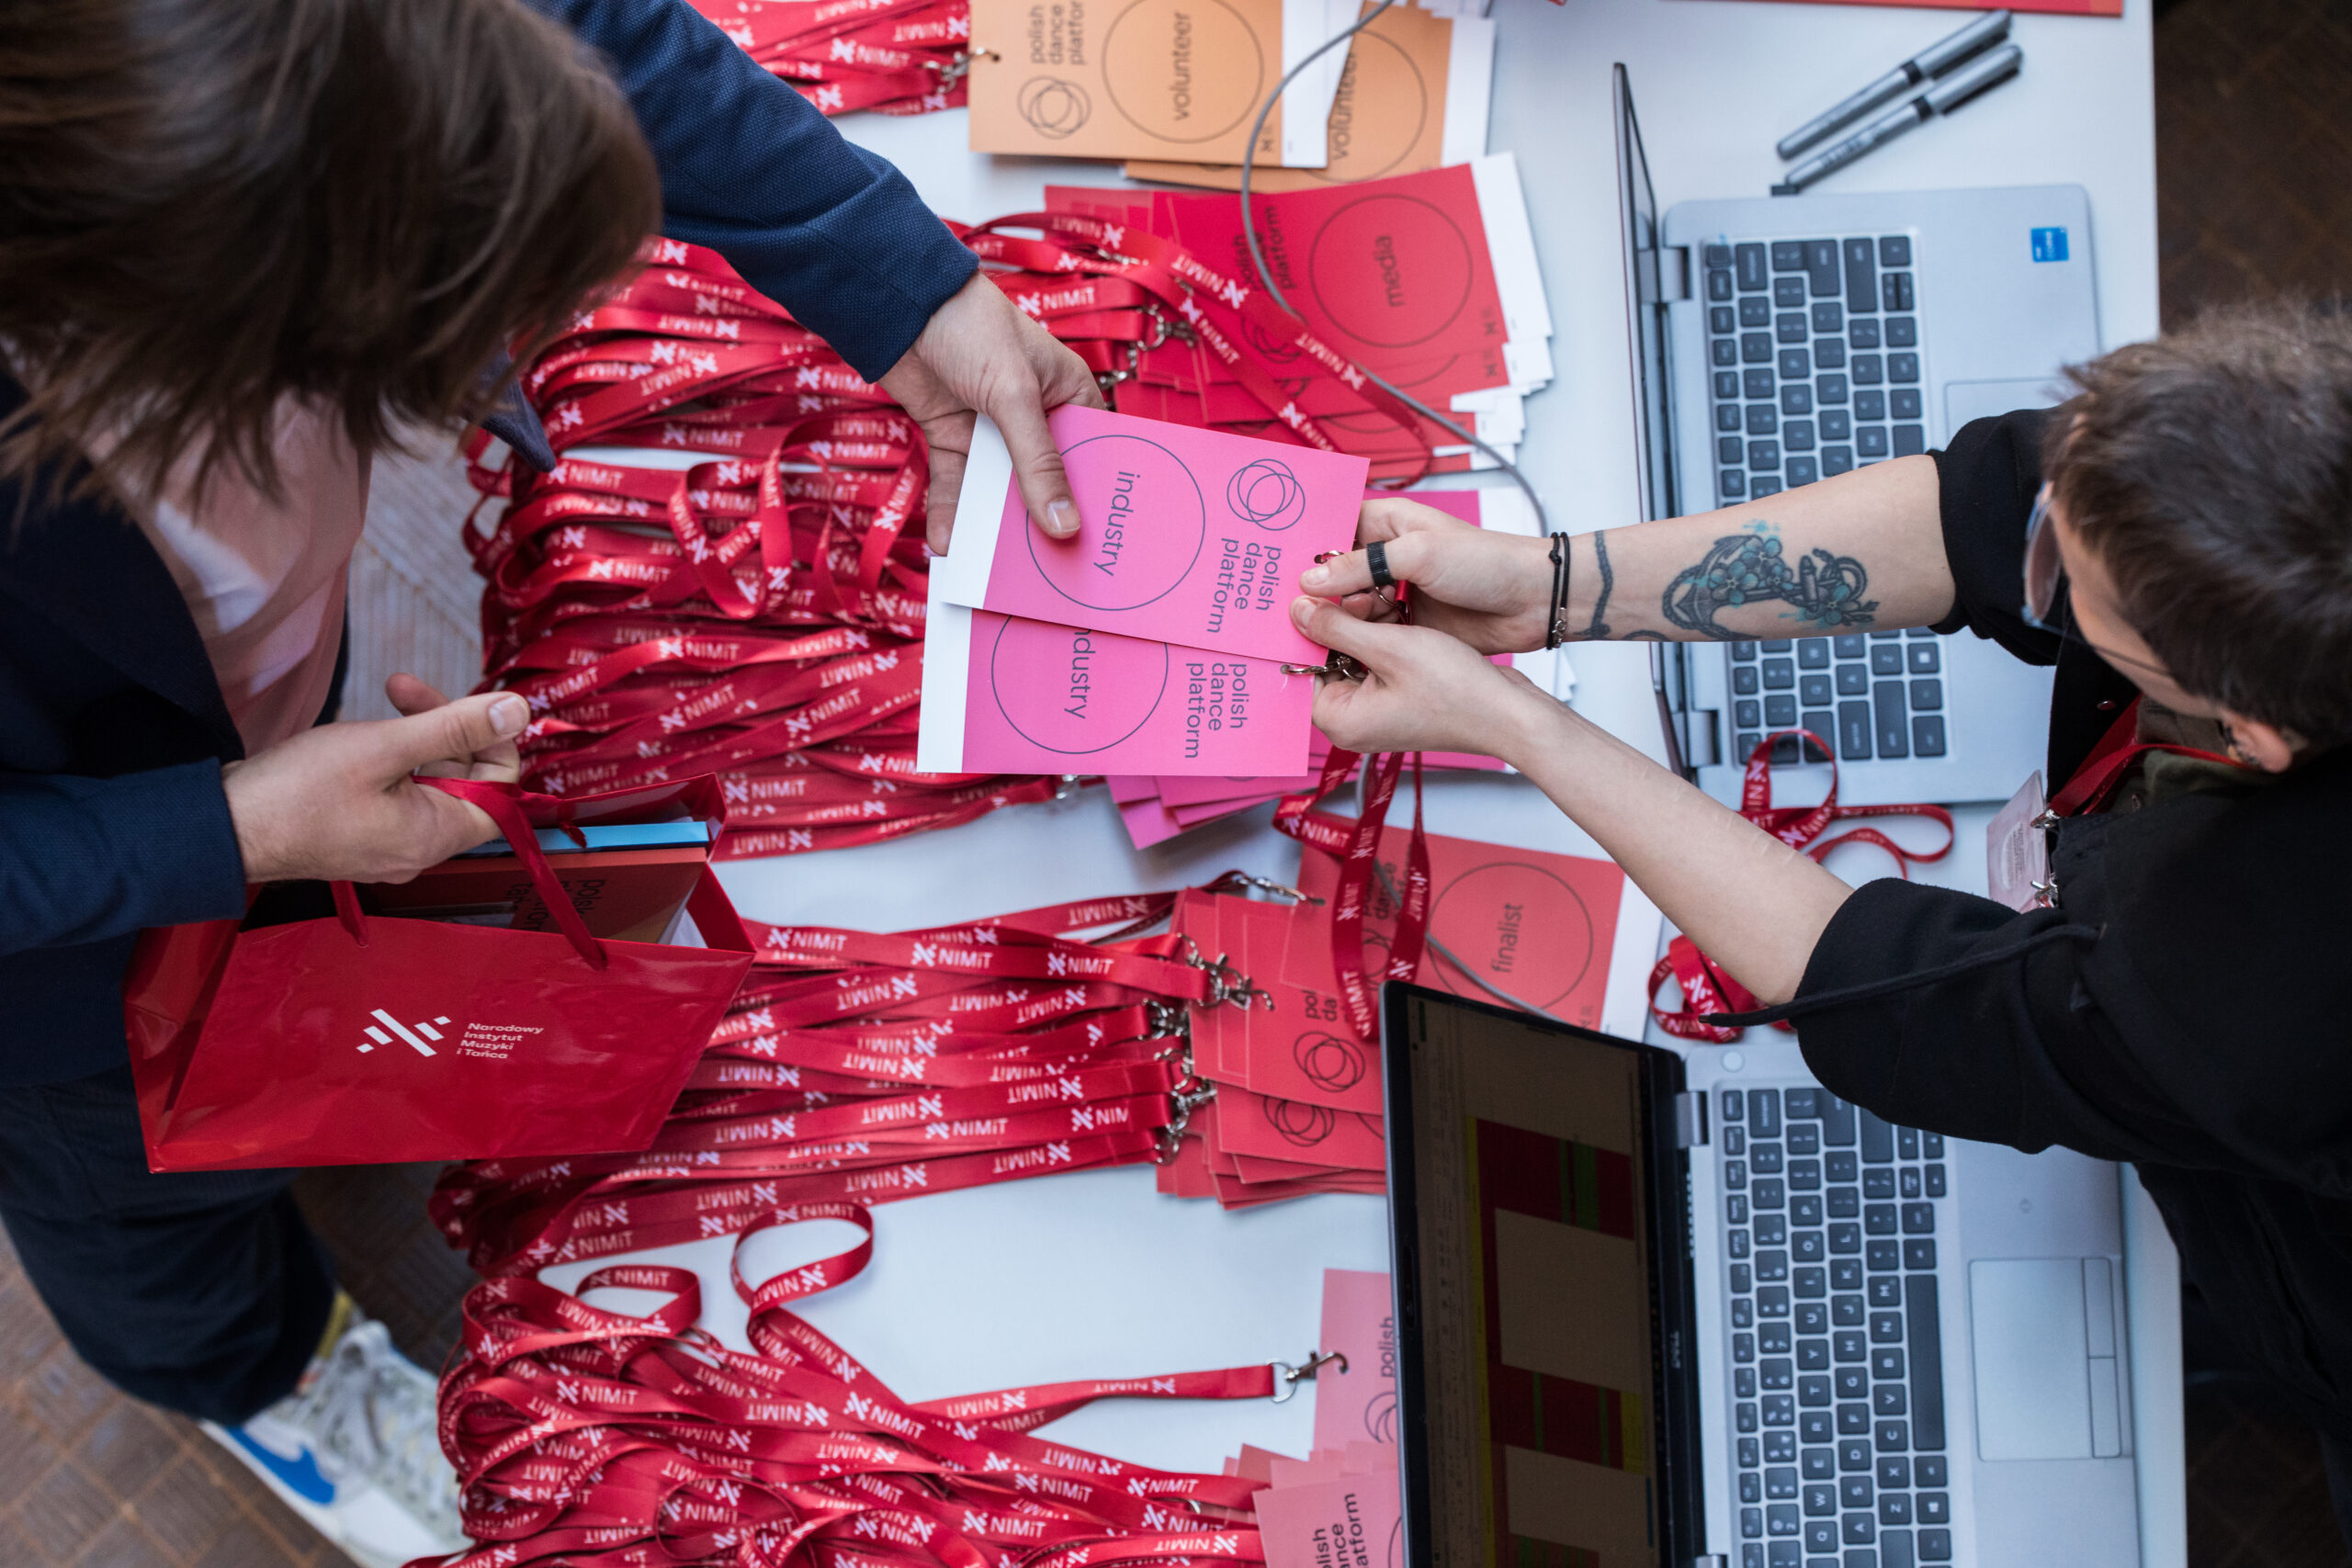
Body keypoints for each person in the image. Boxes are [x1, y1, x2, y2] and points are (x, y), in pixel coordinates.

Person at [0, 2, 1097, 1563]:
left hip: (241, 711)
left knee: (305, 1008)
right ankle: (257, 1372)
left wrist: (910, 282)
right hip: (52, 979)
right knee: (138, 1191)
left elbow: (593, 31)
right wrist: (227, 827)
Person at [1291, 300, 2352, 1539]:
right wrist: (1549, 587)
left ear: (2252, 734)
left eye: (2068, 590)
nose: (2033, 559)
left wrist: (1511, 719)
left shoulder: (2266, 979)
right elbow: (1978, 512)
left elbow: (1920, 999)